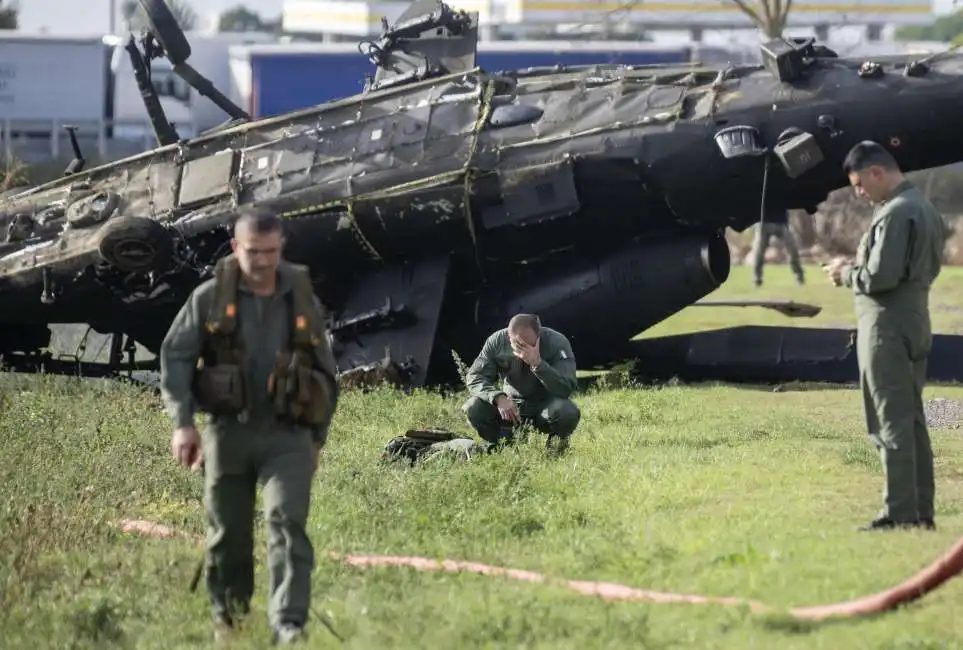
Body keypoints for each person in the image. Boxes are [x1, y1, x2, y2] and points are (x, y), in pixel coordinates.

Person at [159, 207, 340, 643]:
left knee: (287, 523)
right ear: (236, 248)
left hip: (288, 434)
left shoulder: (300, 298)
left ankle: (288, 622)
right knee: (228, 531)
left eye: (272, 252)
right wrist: (183, 424)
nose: (262, 262)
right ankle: (230, 617)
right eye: (253, 252)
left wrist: (317, 438)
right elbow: (177, 355)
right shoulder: (210, 297)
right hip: (228, 433)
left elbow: (324, 370)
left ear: (282, 249)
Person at [824, 140, 947, 532]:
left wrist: (845, 273)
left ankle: (899, 513)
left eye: (860, 184)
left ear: (877, 173)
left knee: (890, 417)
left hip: (887, 327)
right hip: (915, 319)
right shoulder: (923, 208)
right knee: (912, 419)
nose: (859, 193)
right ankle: (920, 508)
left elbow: (880, 277)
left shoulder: (895, 213)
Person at [462, 314, 580, 451]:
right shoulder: (497, 341)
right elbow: (475, 376)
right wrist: (497, 397)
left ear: (538, 335)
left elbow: (567, 388)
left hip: (544, 407)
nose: (522, 350)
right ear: (509, 336)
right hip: (511, 407)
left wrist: (538, 364)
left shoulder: (556, 342)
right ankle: (503, 444)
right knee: (473, 407)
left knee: (567, 411)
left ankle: (554, 449)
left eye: (527, 345)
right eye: (517, 344)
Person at [751, 205, 805, 287]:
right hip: (763, 221)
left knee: (792, 249)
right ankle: (757, 277)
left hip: (781, 222)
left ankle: (799, 275)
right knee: (759, 251)